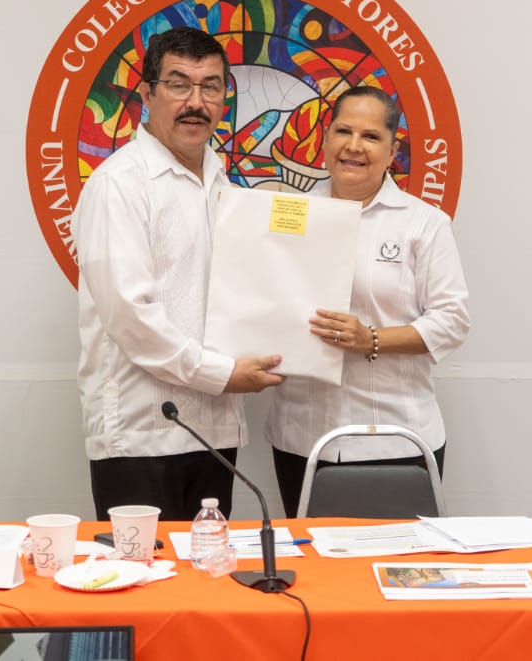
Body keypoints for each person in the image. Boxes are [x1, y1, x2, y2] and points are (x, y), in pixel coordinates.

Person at [72, 26, 283, 522]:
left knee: (210, 564)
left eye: (210, 87)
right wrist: (222, 374)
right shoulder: (119, 185)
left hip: (214, 432)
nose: (196, 102)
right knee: (143, 571)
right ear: (147, 94)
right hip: (142, 434)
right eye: (179, 84)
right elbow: (131, 318)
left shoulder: (219, 179)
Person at [265, 86, 470, 518]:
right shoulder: (286, 215)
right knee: (314, 557)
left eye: (371, 136)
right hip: (303, 437)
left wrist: (370, 339)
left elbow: (452, 321)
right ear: (325, 139)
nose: (354, 146)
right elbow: (263, 301)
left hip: (396, 438)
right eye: (343, 131)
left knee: (398, 556)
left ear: (393, 151)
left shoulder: (423, 224)